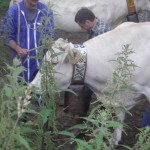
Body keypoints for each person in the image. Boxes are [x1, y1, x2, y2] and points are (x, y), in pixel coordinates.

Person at [2, 0, 56, 84]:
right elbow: (7, 37)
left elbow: (51, 35)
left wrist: (48, 43)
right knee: (21, 90)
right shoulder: (13, 11)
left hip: (41, 62)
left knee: (40, 89)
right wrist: (18, 49)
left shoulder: (46, 11)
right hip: (21, 62)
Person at [71, 7, 111, 116]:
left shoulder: (102, 31)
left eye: (82, 25)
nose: (82, 28)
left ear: (88, 22)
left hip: (104, 69)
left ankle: (95, 118)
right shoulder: (93, 28)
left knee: (92, 91)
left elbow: (99, 55)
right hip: (97, 65)